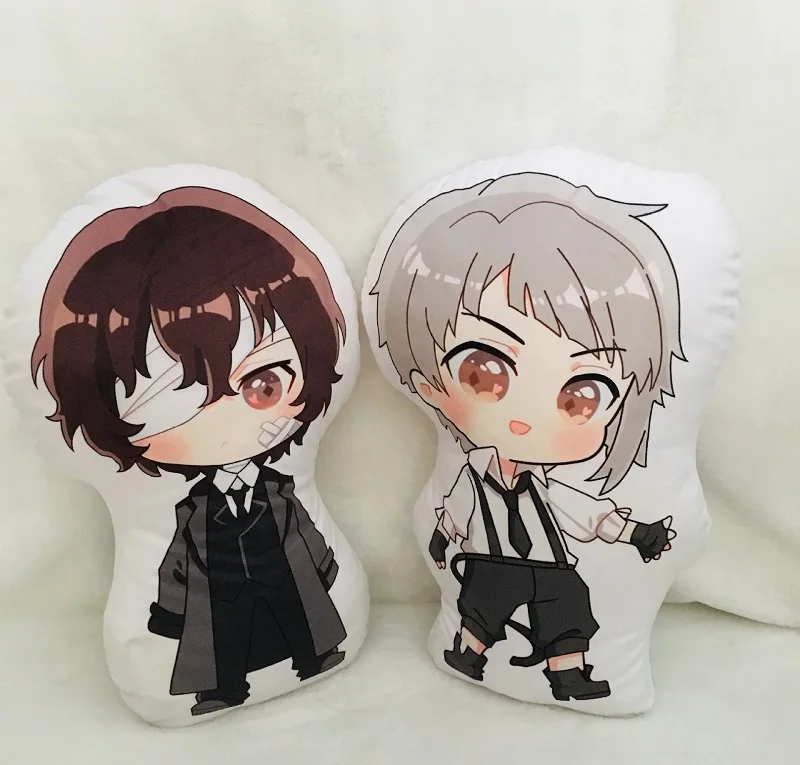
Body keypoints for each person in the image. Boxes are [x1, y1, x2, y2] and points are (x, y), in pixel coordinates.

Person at [32, 188, 347, 715]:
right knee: (224, 639)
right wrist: (170, 615)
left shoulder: (279, 490)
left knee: (297, 621)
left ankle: (313, 655)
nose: (227, 421)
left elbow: (306, 533)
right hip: (220, 598)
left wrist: (325, 569)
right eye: (172, 405)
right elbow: (177, 562)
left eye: (264, 385)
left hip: (287, 584)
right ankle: (222, 688)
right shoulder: (193, 511)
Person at [370, 172, 683, 701]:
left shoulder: (550, 489)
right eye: (483, 374)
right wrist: (444, 540)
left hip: (549, 563)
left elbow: (589, 514)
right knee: (482, 610)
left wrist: (636, 534)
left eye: (581, 396)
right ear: (430, 386)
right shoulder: (474, 478)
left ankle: (568, 673)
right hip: (492, 562)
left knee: (569, 607)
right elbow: (456, 513)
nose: (526, 420)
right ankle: (469, 651)